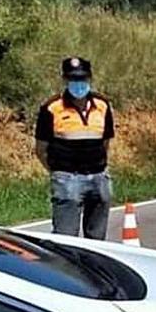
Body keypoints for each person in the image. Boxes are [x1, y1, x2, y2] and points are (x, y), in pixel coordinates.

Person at [35, 57, 115, 239]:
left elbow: (105, 142)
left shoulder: (102, 105)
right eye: (73, 79)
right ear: (65, 80)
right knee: (66, 239)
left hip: (99, 178)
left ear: (90, 78)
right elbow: (41, 149)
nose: (78, 84)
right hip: (67, 179)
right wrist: (59, 172)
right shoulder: (52, 108)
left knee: (97, 240)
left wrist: (99, 167)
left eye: (82, 78)